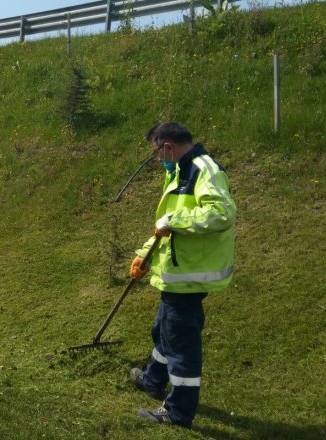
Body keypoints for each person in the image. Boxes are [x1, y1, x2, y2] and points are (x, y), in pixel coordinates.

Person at [128, 122, 236, 428]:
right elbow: (164, 229)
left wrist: (174, 220)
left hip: (189, 276)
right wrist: (144, 254)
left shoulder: (204, 169)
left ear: (168, 147)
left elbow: (221, 212)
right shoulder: (178, 172)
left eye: (156, 152)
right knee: (163, 330)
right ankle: (152, 380)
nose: (158, 159)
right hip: (175, 273)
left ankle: (177, 413)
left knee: (180, 344)